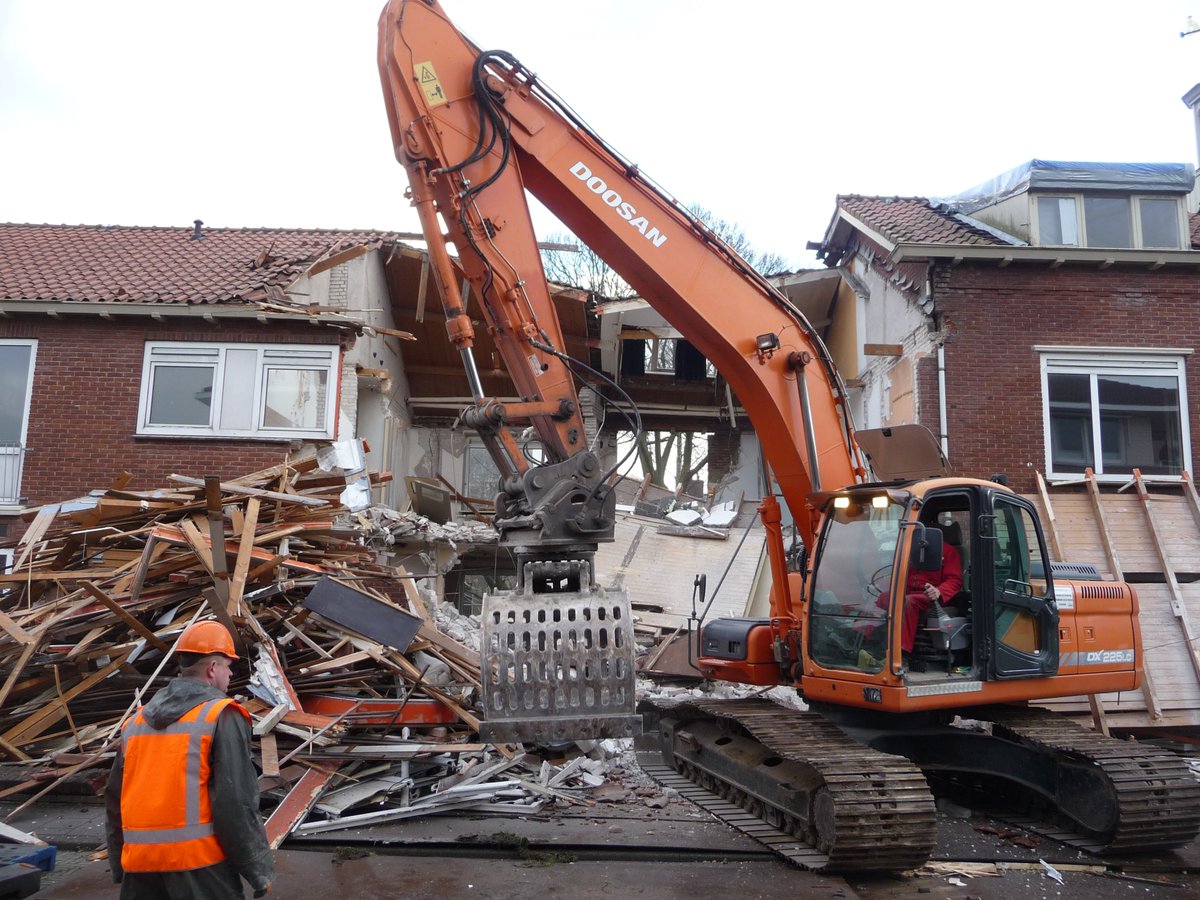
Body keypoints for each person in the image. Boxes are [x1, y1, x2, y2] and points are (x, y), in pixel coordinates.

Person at [106, 620, 275, 899]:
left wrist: (119, 863)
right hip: (199, 866)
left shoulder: (136, 722)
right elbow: (235, 802)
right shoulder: (220, 715)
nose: (231, 674)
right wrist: (257, 869)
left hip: (140, 867)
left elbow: (114, 800)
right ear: (212, 668)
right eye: (228, 666)